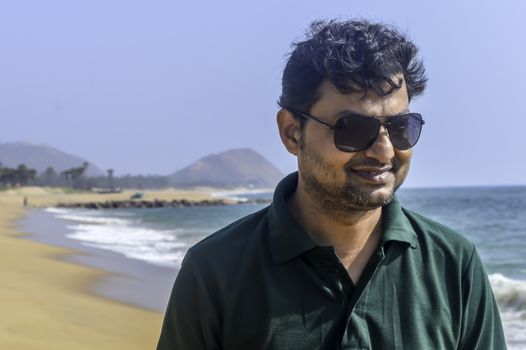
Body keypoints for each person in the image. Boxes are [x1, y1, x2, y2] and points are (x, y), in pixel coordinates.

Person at [157, 19, 506, 349]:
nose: (384, 150)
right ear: (293, 133)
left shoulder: (454, 264)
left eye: (401, 128)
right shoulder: (216, 271)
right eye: (353, 129)